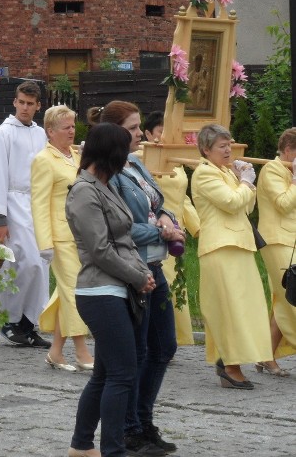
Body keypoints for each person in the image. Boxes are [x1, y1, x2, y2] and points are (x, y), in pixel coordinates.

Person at [90, 101, 184, 455]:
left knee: (165, 347)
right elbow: (123, 229)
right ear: (113, 132)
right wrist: (162, 233)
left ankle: (144, 421)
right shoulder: (108, 176)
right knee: (139, 353)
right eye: (131, 128)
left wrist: (167, 219)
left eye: (139, 126)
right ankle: (130, 429)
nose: (139, 134)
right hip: (134, 269)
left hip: (155, 266)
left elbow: (156, 203)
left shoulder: (136, 163)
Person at [66, 123, 155, 457]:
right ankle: (113, 450)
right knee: (122, 374)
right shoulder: (83, 191)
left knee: (105, 375)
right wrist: (136, 276)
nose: (126, 159)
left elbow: (124, 239)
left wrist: (140, 273)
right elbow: (100, 250)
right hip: (100, 291)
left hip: (117, 288)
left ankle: (81, 446)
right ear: (110, 154)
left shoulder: (104, 186)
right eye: (123, 152)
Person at [192, 123, 274, 389]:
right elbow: (230, 202)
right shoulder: (205, 174)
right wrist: (246, 183)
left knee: (245, 308)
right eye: (222, 146)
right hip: (220, 246)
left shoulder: (224, 172)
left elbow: (246, 206)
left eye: (229, 144)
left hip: (238, 244)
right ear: (206, 150)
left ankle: (229, 359)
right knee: (230, 309)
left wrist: (243, 182)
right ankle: (230, 366)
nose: (228, 150)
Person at [0, 80, 51, 348]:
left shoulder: (40, 133)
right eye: (21, 102)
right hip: (12, 203)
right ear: (14, 102)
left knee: (41, 263)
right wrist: (0, 220)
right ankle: (9, 319)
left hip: (36, 205)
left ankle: (28, 323)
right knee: (23, 262)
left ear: (38, 106)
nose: (25, 107)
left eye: (30, 104)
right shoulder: (4, 134)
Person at [32, 105, 94, 371]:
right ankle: (82, 351)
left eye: (73, 126)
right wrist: (44, 242)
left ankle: (56, 352)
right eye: (66, 127)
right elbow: (39, 203)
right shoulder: (43, 160)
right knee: (74, 291)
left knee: (67, 293)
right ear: (50, 131)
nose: (71, 131)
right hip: (60, 236)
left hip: (82, 234)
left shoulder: (77, 156)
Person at [143, 111, 199, 346]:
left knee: (176, 285)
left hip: (177, 229)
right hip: (156, 228)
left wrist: (197, 227)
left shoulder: (177, 161)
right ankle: (154, 337)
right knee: (160, 283)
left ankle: (169, 336)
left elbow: (182, 197)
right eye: (160, 133)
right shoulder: (142, 158)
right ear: (148, 134)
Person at [257, 127, 296, 376]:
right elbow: (283, 204)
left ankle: (266, 356)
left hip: (291, 240)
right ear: (289, 150)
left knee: (285, 297)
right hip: (277, 239)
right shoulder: (272, 169)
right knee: (291, 298)